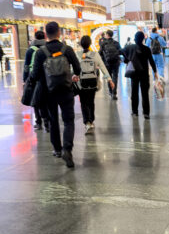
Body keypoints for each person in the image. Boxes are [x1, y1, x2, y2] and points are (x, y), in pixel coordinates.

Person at [29, 21, 81, 168]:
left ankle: (57, 150)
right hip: (66, 90)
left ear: (46, 34)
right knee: (69, 120)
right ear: (59, 32)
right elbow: (77, 68)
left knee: (53, 120)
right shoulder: (67, 49)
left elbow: (35, 74)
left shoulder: (41, 53)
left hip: (48, 92)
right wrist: (74, 75)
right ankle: (67, 149)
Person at [77, 35, 114, 133]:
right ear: (90, 44)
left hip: (82, 82)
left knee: (83, 102)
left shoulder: (77, 54)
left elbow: (73, 69)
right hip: (92, 81)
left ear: (81, 44)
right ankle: (91, 120)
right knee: (91, 101)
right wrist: (109, 79)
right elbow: (103, 67)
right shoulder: (95, 55)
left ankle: (87, 122)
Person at [124, 31, 158, 119]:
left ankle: (135, 111)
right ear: (143, 39)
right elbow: (151, 61)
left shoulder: (131, 48)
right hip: (144, 74)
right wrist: (155, 72)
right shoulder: (147, 49)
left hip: (134, 74)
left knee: (134, 93)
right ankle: (146, 113)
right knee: (145, 94)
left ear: (135, 38)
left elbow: (125, 60)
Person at [24, 30, 50, 131]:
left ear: (35, 38)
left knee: (35, 99)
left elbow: (26, 66)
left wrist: (25, 79)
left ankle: (38, 122)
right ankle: (47, 122)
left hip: (33, 76)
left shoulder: (30, 50)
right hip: (46, 76)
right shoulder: (47, 48)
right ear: (44, 37)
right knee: (46, 99)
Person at [101, 30, 124, 99]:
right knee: (115, 77)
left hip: (107, 63)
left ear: (107, 35)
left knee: (108, 77)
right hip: (116, 63)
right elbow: (121, 51)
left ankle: (110, 91)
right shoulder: (116, 43)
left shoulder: (103, 43)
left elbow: (100, 53)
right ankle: (114, 93)